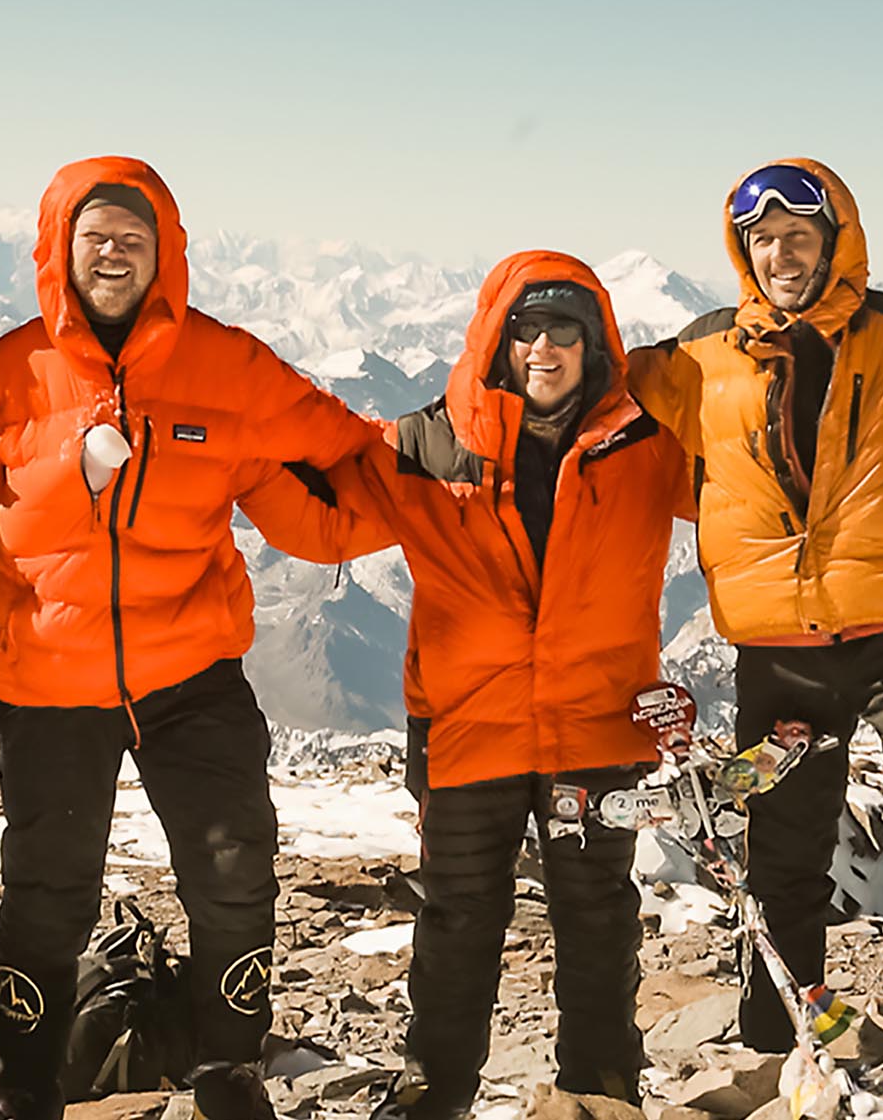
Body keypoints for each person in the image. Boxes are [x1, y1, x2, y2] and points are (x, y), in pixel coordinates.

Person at [0, 156, 379, 1120]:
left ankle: (228, 1069)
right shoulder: (10, 371)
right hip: (49, 679)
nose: (112, 256)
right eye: (95, 237)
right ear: (58, 252)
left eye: (133, 240)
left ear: (167, 255)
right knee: (46, 890)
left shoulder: (225, 366)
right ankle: (29, 1086)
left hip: (190, 670)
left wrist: (456, 474)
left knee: (234, 862)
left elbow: (336, 466)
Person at [626, 158, 883, 1113]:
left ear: (835, 236)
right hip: (780, 651)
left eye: (799, 235)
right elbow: (624, 438)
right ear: (742, 251)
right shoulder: (698, 357)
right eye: (761, 240)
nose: (781, 253)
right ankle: (778, 1048)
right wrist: (730, 530)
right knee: (786, 852)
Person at [258, 251, 685, 1119]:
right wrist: (238, 457)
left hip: (598, 732)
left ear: (596, 343)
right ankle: (436, 1089)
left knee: (597, 915)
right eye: (525, 329)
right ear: (497, 339)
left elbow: (747, 499)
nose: (544, 348)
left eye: (566, 330)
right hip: (467, 728)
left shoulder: (648, 442)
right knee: (456, 919)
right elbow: (324, 520)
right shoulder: (427, 443)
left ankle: (599, 1088)